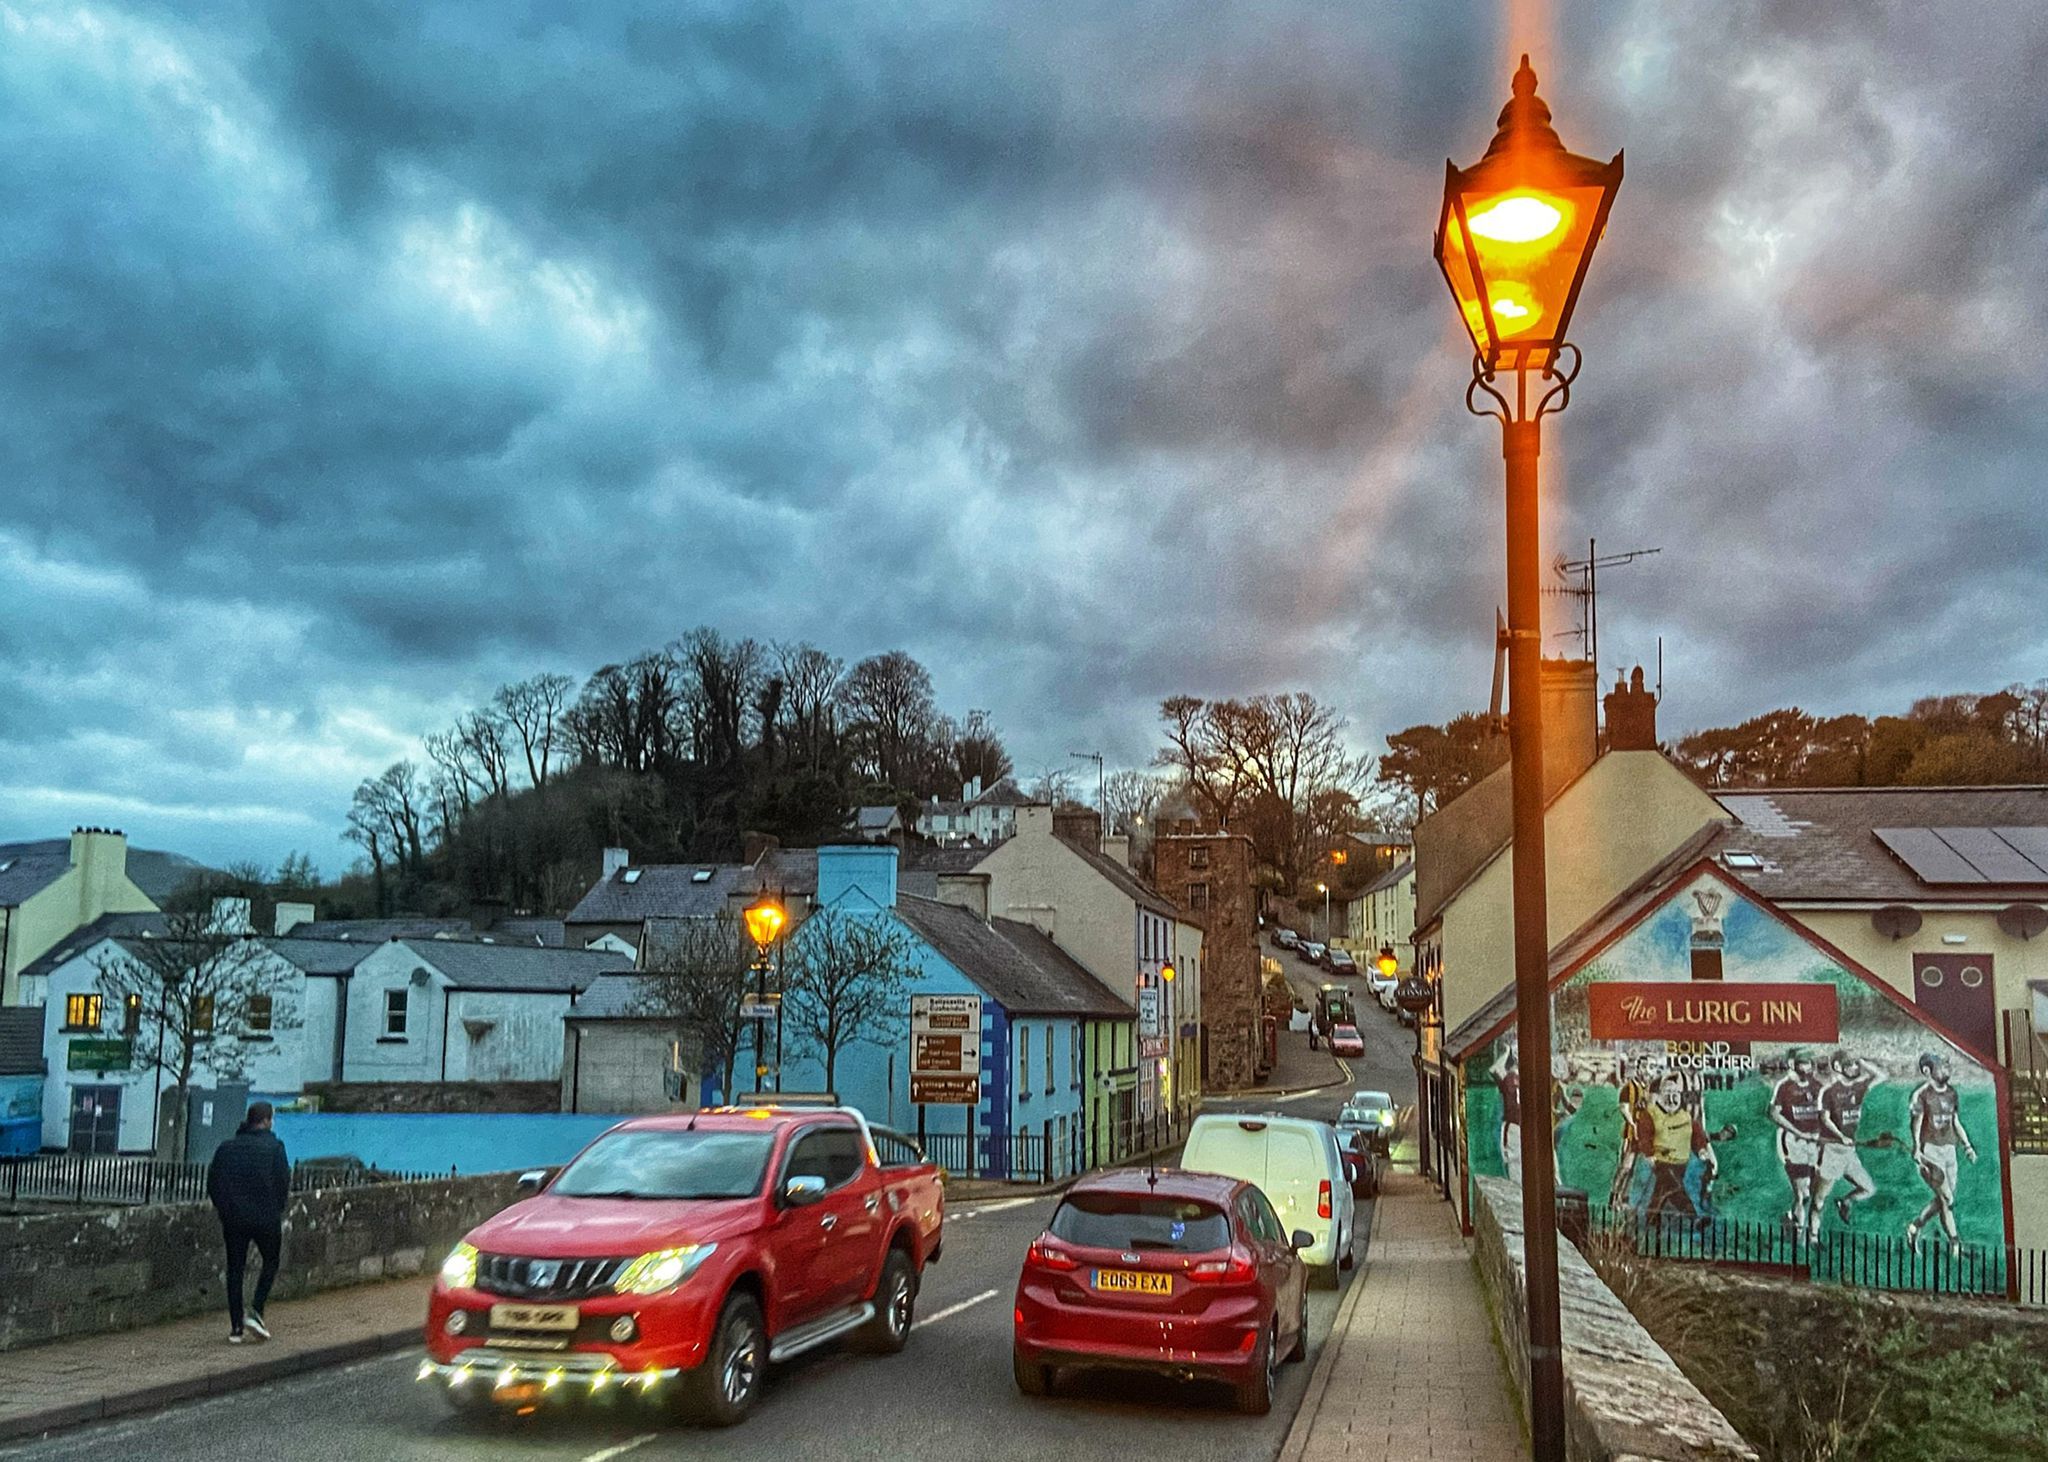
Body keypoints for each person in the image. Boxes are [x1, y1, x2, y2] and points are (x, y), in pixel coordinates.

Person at [207, 1100, 290, 1344]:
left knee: (235, 1269)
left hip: (234, 1219)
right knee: (271, 1261)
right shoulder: (275, 1147)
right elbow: (282, 1182)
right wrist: (276, 1208)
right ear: (266, 1121)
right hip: (266, 1218)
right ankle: (256, 1310)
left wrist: (225, 1210)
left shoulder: (226, 1148)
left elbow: (213, 1184)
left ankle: (236, 1328)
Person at [1905, 1052, 1978, 1258]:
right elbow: (1916, 1124)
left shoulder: (1952, 1093)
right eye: (1941, 1066)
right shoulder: (1921, 1095)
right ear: (1927, 1071)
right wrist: (1917, 1149)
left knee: (1944, 1200)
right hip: (1931, 1151)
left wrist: (1967, 1146)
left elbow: (1955, 1121)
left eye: (1947, 1065)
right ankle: (1955, 1244)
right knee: (1947, 1198)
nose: (1947, 1069)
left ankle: (1914, 1227)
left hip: (1950, 1151)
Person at [1812, 1049, 1880, 1241]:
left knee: (1869, 1189)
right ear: (1837, 1067)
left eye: (1855, 1064)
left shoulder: (1858, 1087)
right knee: (1819, 1199)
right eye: (1850, 1064)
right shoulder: (1829, 1091)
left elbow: (1882, 1075)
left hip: (1850, 1152)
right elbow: (1825, 1119)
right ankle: (1813, 1237)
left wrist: (1862, 1059)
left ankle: (1846, 1201)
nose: (1855, 1067)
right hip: (1832, 1151)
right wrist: (1841, 1136)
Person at [1640, 1074, 1715, 1227]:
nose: (1672, 1099)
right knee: (1675, 1188)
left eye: (1675, 1094)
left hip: (1681, 1162)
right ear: (1660, 1096)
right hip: (1661, 1160)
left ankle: (1652, 1217)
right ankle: (1694, 1217)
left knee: (1662, 1190)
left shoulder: (1685, 1116)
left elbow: (1696, 1135)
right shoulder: (1651, 1114)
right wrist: (1649, 1154)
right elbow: (1644, 1135)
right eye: (1667, 1094)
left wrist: (1701, 1150)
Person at [1768, 1048, 1825, 1236]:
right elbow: (1774, 1114)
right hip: (1792, 1142)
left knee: (1809, 1192)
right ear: (1794, 1065)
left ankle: (1792, 1220)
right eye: (1802, 1063)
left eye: (1809, 1063)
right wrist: (1799, 1132)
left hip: (1813, 1144)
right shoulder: (1785, 1087)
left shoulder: (1817, 1086)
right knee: (1802, 1193)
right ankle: (1799, 1235)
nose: (1807, 1067)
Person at [1491, 1046, 1521, 1184]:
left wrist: (1506, 1052)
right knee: (1514, 1165)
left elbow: (1495, 1069)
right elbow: (1495, 1069)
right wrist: (1507, 1051)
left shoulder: (1510, 1078)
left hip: (1516, 1127)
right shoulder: (1510, 1078)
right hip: (1513, 1127)